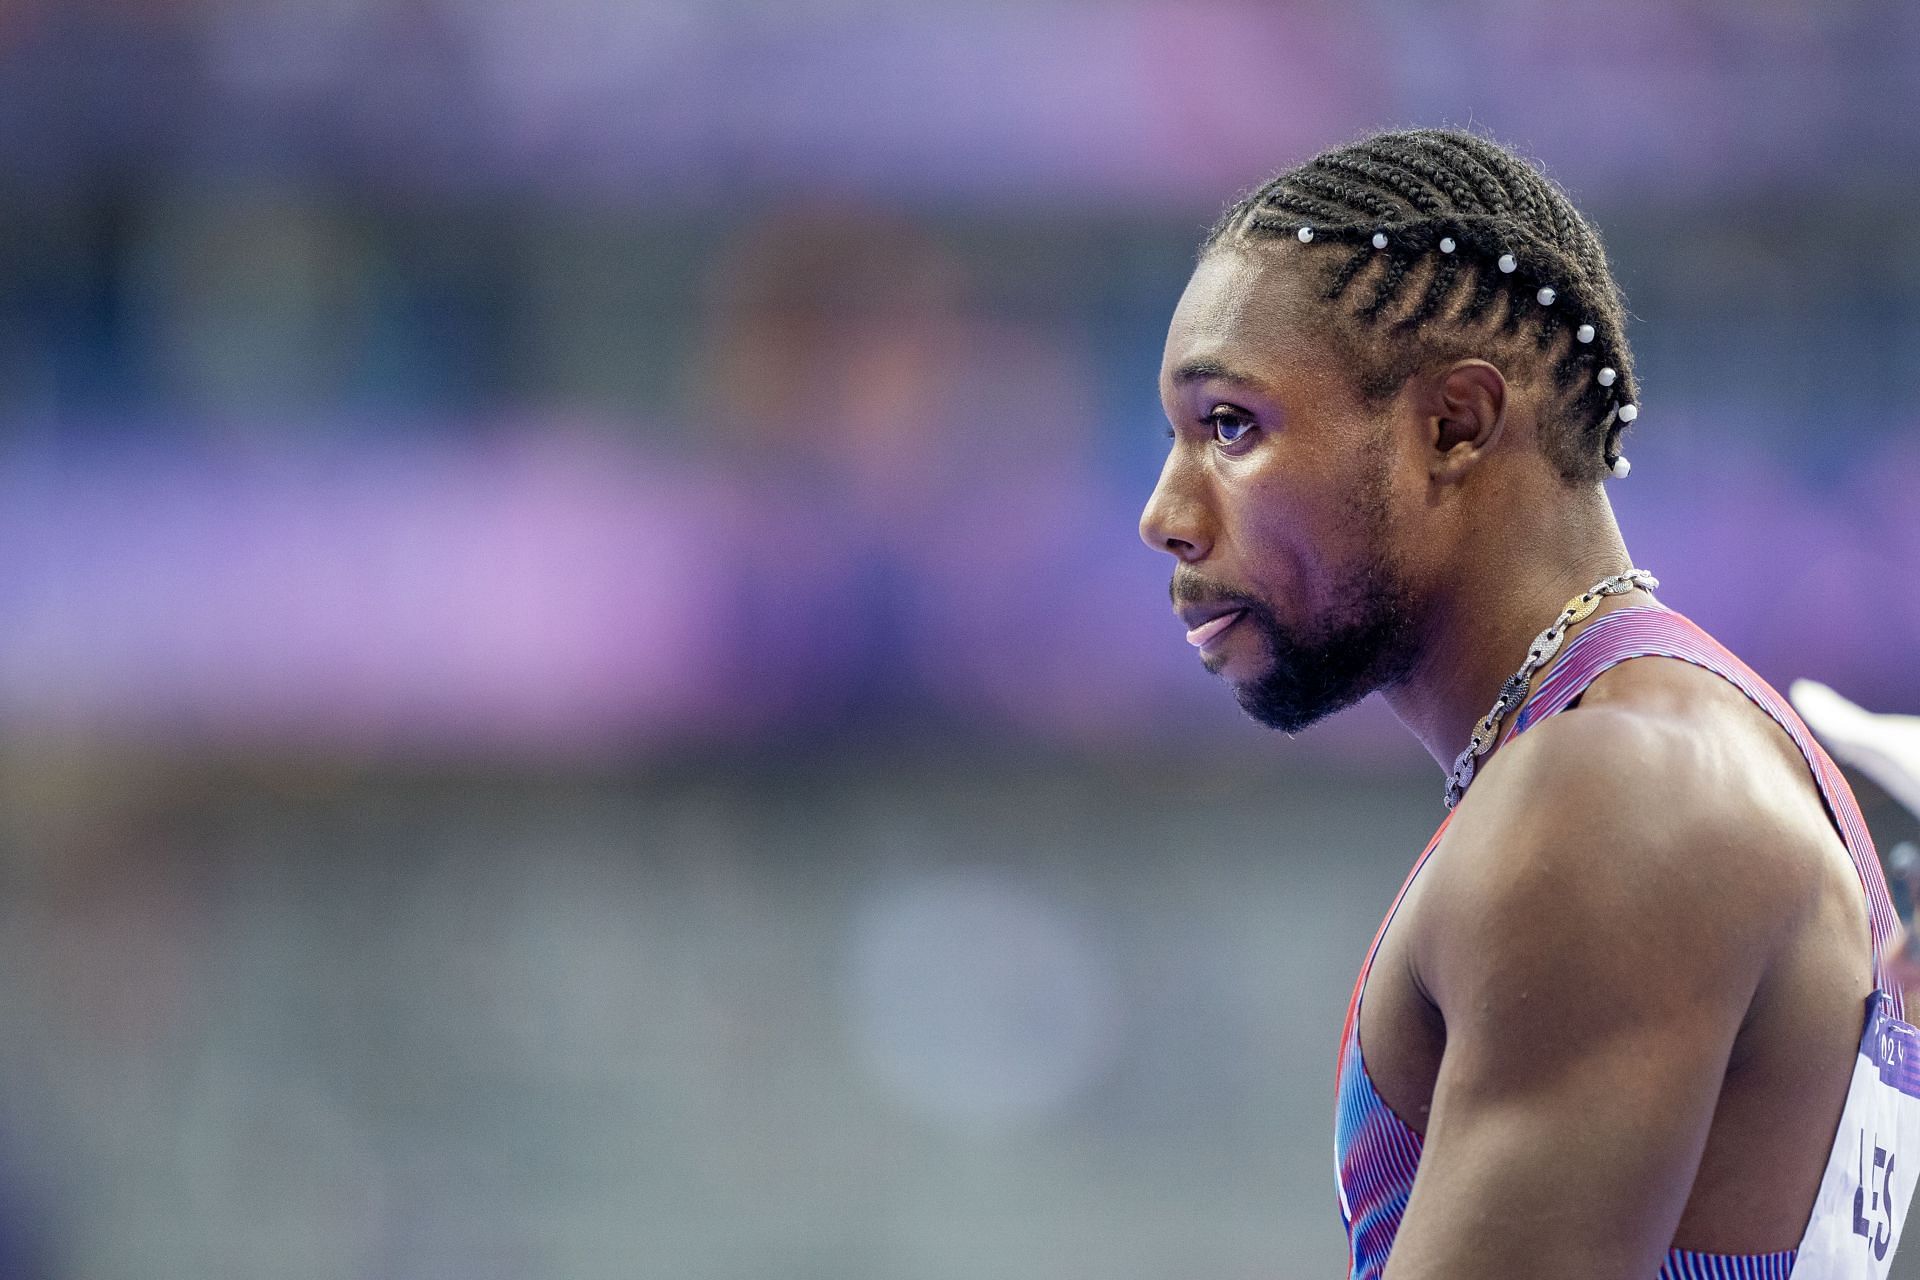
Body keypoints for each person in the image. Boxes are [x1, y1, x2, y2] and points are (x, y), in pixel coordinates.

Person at [1137, 128, 1919, 1278]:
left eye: (1231, 426)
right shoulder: (1655, 748)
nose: (1166, 512)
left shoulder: (1620, 792)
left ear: (1453, 423)